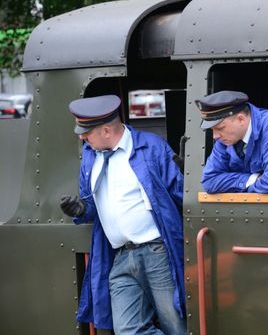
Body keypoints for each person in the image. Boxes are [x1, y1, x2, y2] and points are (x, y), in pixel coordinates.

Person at [59, 95, 186, 334]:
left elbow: (180, 196)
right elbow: (92, 203)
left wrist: (185, 174)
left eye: (86, 132)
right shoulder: (90, 155)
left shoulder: (151, 147)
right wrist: (82, 210)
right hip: (120, 256)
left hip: (156, 252)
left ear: (106, 130)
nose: (81, 137)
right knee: (128, 330)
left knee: (175, 326)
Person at [196, 90, 268, 193]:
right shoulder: (225, 138)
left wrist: (234, 185)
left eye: (220, 128)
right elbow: (209, 181)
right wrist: (252, 180)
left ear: (241, 119)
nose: (215, 136)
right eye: (212, 130)